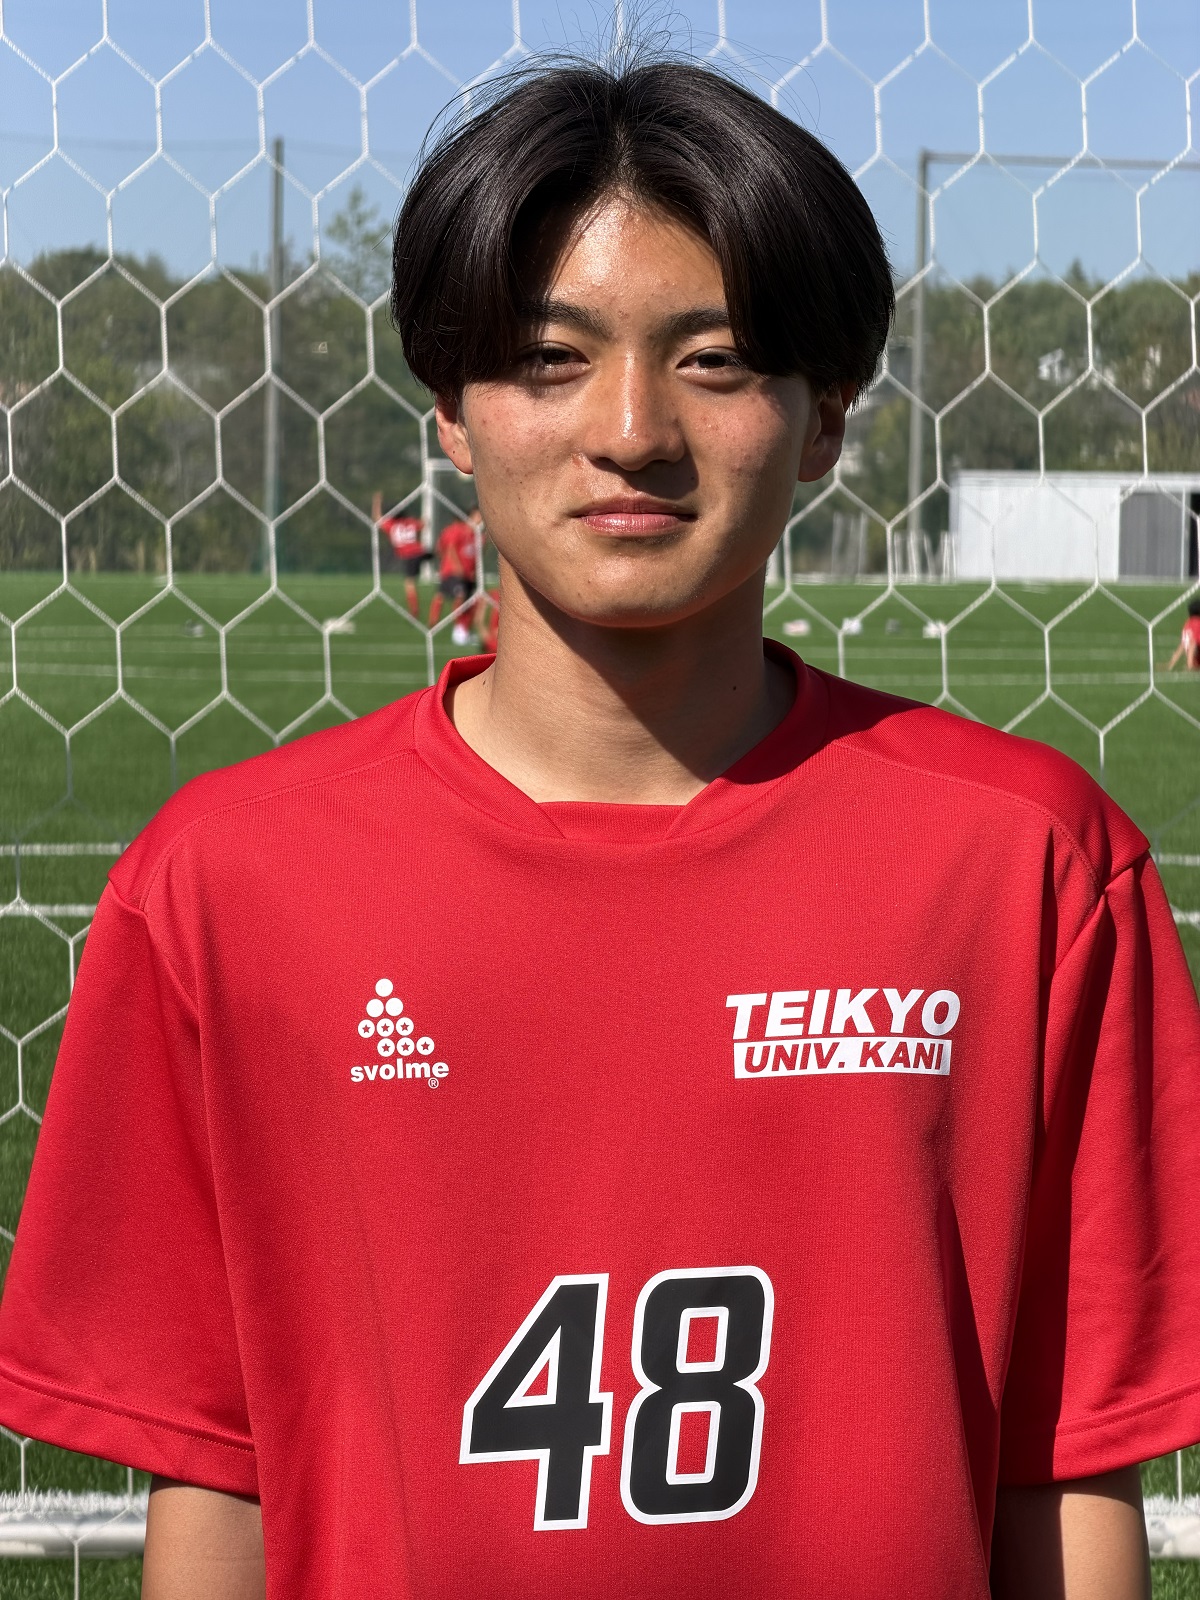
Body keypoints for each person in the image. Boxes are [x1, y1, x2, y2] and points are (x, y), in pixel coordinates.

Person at [0, 57, 1197, 1600]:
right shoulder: (226, 883)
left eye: (715, 360)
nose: (631, 430)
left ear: (827, 416)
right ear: (450, 408)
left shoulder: (1030, 864)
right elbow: (216, 1488)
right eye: (549, 359)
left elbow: (1066, 1474)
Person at [427, 505, 483, 643]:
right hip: (453, 572)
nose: (480, 519)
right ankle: (457, 630)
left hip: (469, 575)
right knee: (457, 596)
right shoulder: (458, 530)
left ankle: (464, 630)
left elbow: (476, 555)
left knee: (472, 601)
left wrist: (475, 571)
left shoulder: (478, 535)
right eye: (478, 516)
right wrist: (457, 567)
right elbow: (447, 548)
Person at [371, 489, 425, 616]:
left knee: (409, 583)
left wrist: (376, 501)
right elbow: (423, 524)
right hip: (421, 551)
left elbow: (377, 518)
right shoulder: (411, 522)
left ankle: (414, 609)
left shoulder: (391, 524)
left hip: (409, 555)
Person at [1165, 596, 1200, 671]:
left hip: (1195, 660)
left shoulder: (1187, 623)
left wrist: (1171, 663)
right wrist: (1189, 664)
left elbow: (1183, 644)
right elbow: (1192, 643)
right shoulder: (1197, 623)